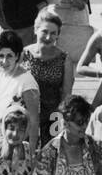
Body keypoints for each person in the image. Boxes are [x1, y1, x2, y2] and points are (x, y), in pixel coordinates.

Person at [22, 8, 74, 136]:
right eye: (44, 31)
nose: (48, 37)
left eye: (53, 33)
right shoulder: (24, 54)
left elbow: (66, 94)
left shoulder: (64, 59)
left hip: (53, 116)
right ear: (36, 30)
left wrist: (59, 120)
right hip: (25, 114)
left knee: (50, 153)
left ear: (58, 35)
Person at [0, 30, 41, 147]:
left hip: (19, 144)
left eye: (9, 56)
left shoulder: (27, 82)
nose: (4, 61)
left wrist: (31, 152)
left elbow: (34, 121)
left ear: (17, 56)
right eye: (1, 56)